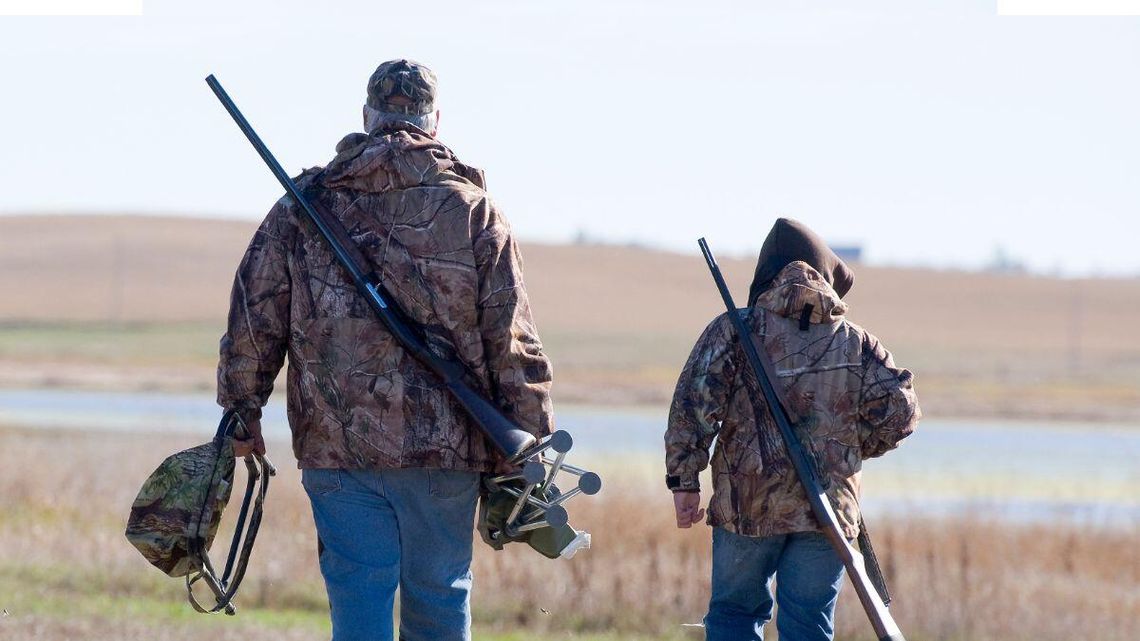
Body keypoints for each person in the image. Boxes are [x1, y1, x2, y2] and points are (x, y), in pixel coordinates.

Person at [216, 59, 554, 641]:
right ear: (435, 121)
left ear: (368, 117)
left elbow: (254, 317)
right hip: (446, 450)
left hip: (337, 447)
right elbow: (512, 339)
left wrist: (242, 410)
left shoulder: (304, 204)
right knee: (440, 604)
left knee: (358, 605)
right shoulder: (474, 210)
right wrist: (527, 440)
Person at [664, 218, 920, 641]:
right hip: (827, 515)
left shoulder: (734, 328)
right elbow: (902, 413)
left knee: (734, 616)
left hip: (747, 508)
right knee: (809, 627)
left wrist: (684, 482)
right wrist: (849, 449)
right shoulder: (857, 343)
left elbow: (692, 409)